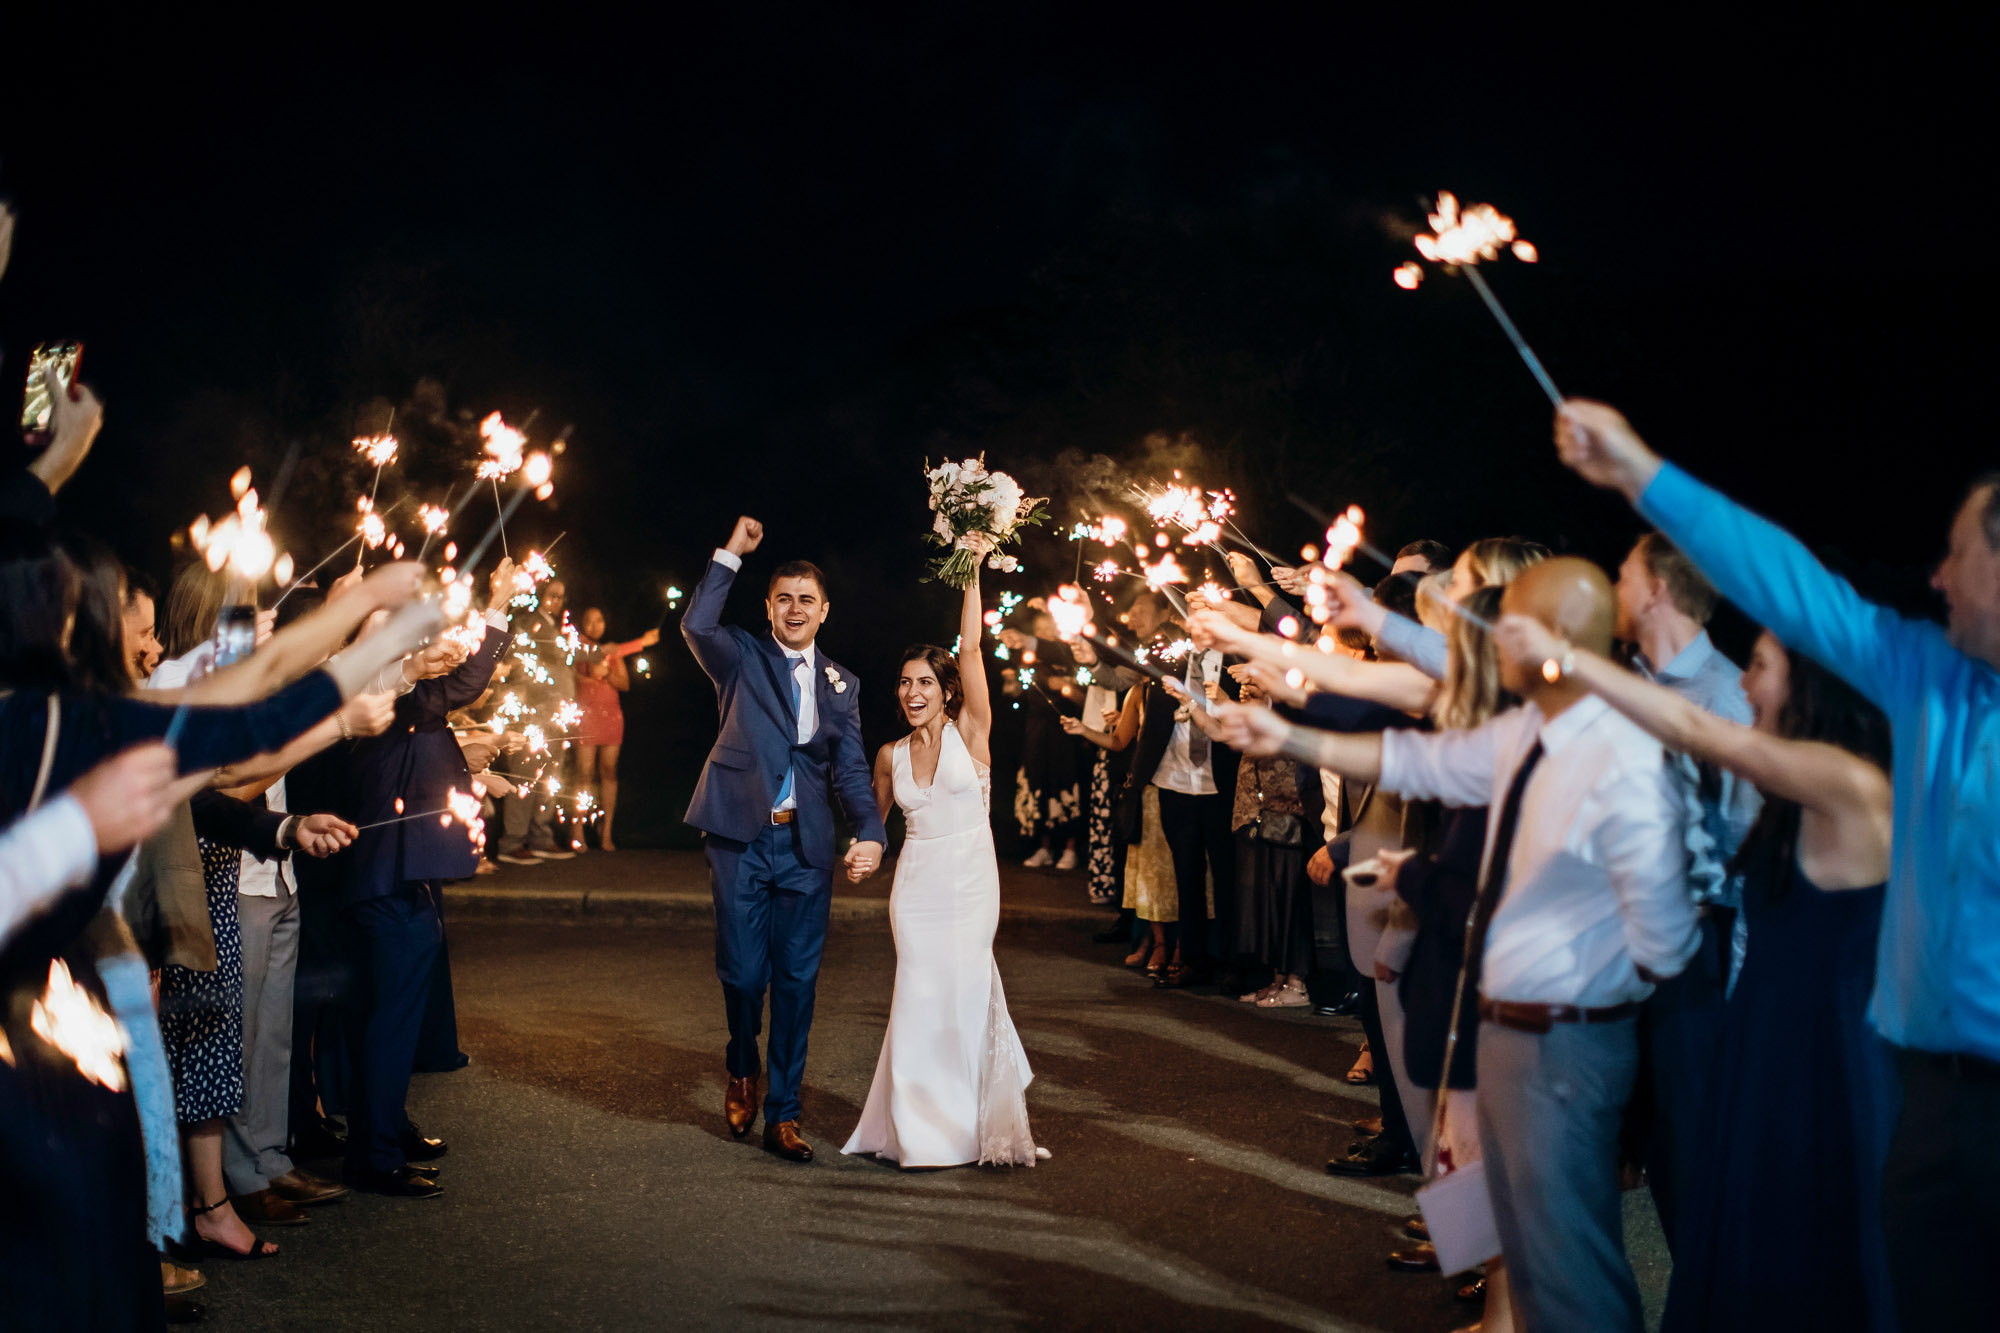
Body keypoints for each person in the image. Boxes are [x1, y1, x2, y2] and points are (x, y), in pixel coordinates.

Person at [1550, 398, 2000, 1329]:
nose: (1938, 575)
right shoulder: (1930, 678)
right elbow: (1791, 584)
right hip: (1933, 1104)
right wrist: (1641, 470)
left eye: (1959, 553)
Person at [1211, 558, 1699, 1332]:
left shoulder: (1621, 754)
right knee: (1531, 1258)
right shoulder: (1527, 725)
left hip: (1565, 1037)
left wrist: (1577, 970)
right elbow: (1414, 759)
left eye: (1508, 622)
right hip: (1505, 1027)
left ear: (1557, 640)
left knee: (1571, 1268)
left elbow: (1669, 939)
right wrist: (1286, 732)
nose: (1486, 637)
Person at [1495, 611, 1896, 1330]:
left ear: (1813, 687)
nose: (1745, 684)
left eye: (1762, 667)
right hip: (1762, 1042)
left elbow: (1701, 729)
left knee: (1811, 1249)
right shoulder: (1793, 801)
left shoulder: (1853, 784)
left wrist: (1571, 660)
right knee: (1744, 1237)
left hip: (1824, 1060)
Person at [681, 516, 886, 1163]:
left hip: (806, 849)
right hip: (740, 838)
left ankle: (784, 1113)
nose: (795, 608)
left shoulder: (843, 684)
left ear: (824, 611)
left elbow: (851, 769)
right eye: (784, 597)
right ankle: (741, 1063)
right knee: (744, 975)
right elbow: (696, 624)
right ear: (768, 606)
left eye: (807, 599)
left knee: (797, 982)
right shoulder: (739, 654)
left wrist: (873, 831)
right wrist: (731, 556)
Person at [843, 568, 1042, 1167]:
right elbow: (874, 827)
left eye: (924, 682)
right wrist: (862, 853)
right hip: (917, 886)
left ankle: (969, 1125)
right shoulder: (890, 755)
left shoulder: (972, 733)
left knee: (964, 993)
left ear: (947, 690)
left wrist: (973, 564)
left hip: (972, 881)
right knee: (917, 995)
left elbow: (973, 647)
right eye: (904, 683)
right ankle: (915, 1128)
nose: (911, 693)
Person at [338, 557, 517, 1198]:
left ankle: (384, 1128)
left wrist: (470, 772)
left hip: (402, 873)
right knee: (389, 1019)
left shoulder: (395, 681)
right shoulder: (377, 682)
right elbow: (460, 685)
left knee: (394, 1016)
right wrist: (498, 599)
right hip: (386, 876)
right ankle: (375, 1155)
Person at [495, 576, 575, 864]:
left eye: (561, 596)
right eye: (552, 595)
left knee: (550, 776)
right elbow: (536, 662)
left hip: (556, 715)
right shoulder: (530, 623)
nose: (557, 601)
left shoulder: (558, 626)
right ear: (541, 595)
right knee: (526, 774)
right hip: (535, 712)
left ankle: (540, 836)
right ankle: (512, 842)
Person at [573, 608, 659, 851]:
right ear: (582, 624)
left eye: (599, 619)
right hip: (587, 716)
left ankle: (606, 831)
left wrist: (609, 672)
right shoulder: (578, 647)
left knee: (608, 770)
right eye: (588, 620)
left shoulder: (612, 653)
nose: (594, 624)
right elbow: (582, 670)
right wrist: (641, 642)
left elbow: (625, 683)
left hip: (611, 717)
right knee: (584, 772)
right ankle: (577, 829)